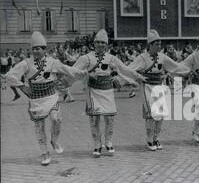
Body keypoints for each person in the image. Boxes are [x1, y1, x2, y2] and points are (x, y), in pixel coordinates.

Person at [5, 31, 87, 165]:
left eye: (38, 49)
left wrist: (81, 72)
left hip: (51, 97)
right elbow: (9, 76)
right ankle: (44, 152)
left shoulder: (53, 62)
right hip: (36, 100)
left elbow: (67, 69)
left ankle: (54, 140)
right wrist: (22, 86)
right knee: (39, 127)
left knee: (56, 119)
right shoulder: (26, 63)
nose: (35, 51)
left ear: (45, 50)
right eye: (33, 49)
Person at [73, 29, 146, 157]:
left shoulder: (111, 58)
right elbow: (74, 71)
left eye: (103, 43)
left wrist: (138, 77)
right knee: (94, 118)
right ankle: (97, 144)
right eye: (98, 42)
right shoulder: (86, 58)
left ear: (106, 45)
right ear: (94, 44)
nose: (100, 45)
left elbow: (125, 69)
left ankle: (108, 141)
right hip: (93, 90)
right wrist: (86, 75)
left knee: (110, 117)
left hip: (107, 90)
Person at [128, 30, 191, 151]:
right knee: (151, 115)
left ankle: (156, 138)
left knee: (160, 115)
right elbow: (130, 69)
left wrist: (188, 69)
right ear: (150, 45)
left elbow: (176, 66)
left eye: (160, 44)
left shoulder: (163, 57)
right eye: (156, 44)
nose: (159, 46)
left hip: (159, 87)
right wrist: (139, 77)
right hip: (147, 88)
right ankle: (149, 139)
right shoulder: (142, 58)